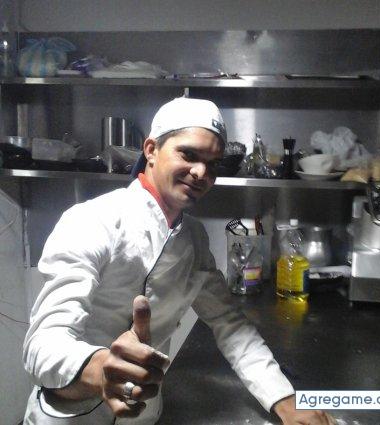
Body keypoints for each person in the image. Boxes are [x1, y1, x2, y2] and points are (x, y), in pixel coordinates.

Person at [22, 97, 334, 425]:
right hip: (71, 415)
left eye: (213, 164)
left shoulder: (193, 239)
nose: (201, 173)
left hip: (145, 416)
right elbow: (42, 347)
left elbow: (231, 325)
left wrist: (283, 397)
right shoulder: (93, 221)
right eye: (188, 155)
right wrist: (102, 369)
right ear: (151, 150)